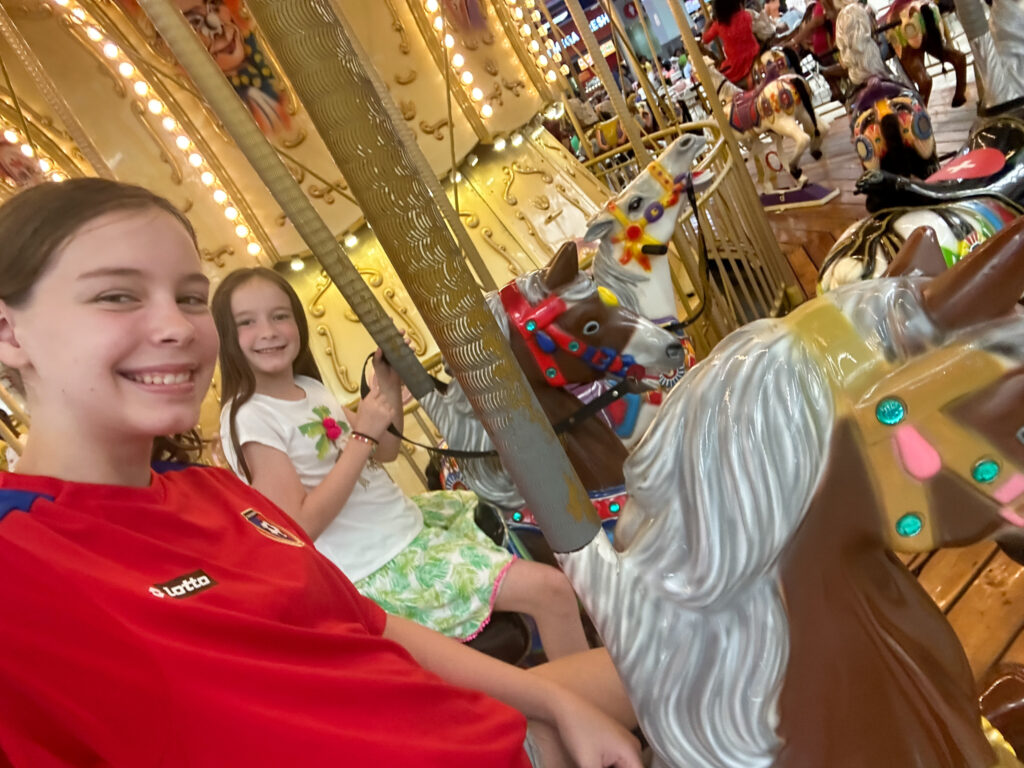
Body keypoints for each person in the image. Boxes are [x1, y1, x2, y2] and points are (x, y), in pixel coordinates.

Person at [0, 178, 641, 766]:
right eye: (117, 296)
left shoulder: (217, 489)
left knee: (697, 646)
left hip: (463, 723)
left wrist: (555, 703)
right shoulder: (25, 566)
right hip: (423, 668)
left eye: (190, 297)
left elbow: (370, 626)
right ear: (8, 333)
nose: (175, 326)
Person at [212, 267, 590, 658]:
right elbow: (298, 525)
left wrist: (386, 383)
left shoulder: (309, 389)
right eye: (247, 322)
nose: (269, 331)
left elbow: (385, 452)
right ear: (225, 338)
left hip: (407, 529)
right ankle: (590, 707)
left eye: (280, 316)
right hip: (377, 566)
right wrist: (363, 434)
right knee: (552, 590)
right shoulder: (249, 416)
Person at [702, 0, 761, 87]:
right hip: (754, 54)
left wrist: (708, 24)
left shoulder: (718, 25)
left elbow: (705, 39)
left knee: (719, 80)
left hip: (736, 65)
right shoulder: (745, 15)